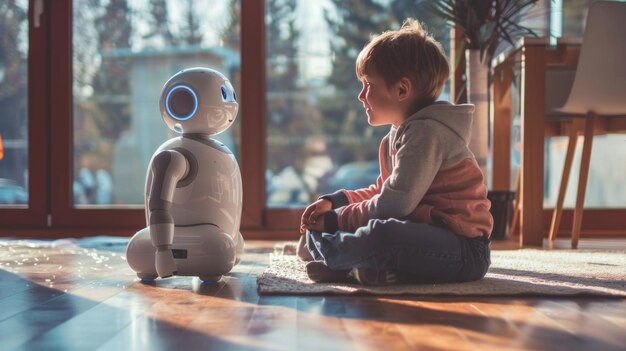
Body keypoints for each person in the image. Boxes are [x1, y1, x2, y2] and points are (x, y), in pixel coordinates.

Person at [297, 18, 493, 285]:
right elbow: (383, 191)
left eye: (368, 85)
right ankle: (363, 268)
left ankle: (331, 253)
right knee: (377, 230)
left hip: (464, 251)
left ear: (402, 89)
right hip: (427, 239)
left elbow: (394, 204)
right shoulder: (397, 134)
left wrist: (334, 222)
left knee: (384, 233)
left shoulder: (426, 134)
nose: (361, 95)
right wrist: (337, 201)